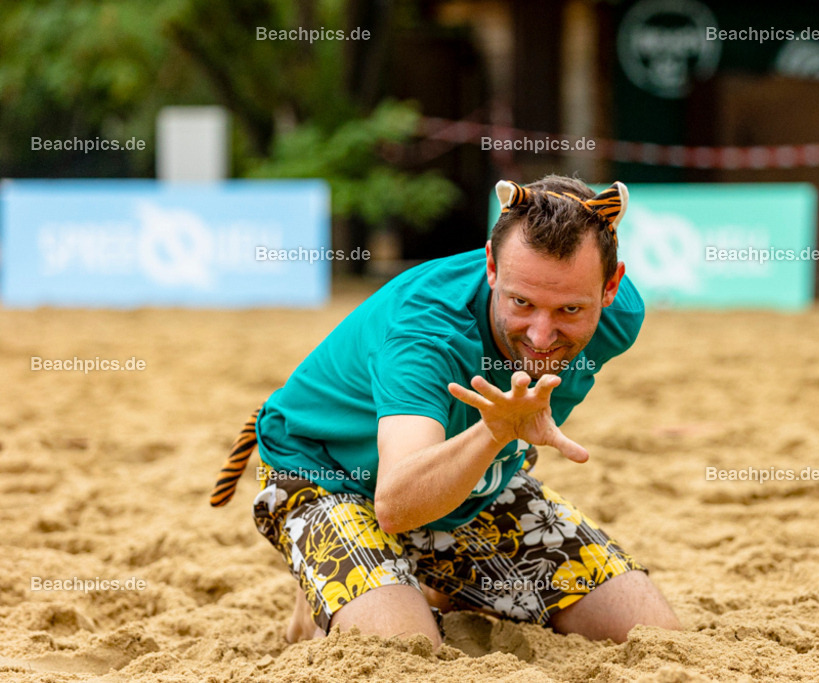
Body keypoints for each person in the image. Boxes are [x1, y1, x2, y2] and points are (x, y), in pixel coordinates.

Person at [210, 175, 682, 649]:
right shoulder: (426, 331)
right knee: (405, 651)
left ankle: (424, 577)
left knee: (653, 635)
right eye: (522, 303)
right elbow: (396, 504)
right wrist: (496, 432)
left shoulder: (620, 319)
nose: (542, 335)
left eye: (569, 311)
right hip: (326, 470)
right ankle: (336, 589)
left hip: (467, 481)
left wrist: (498, 440)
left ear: (610, 286)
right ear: (492, 268)